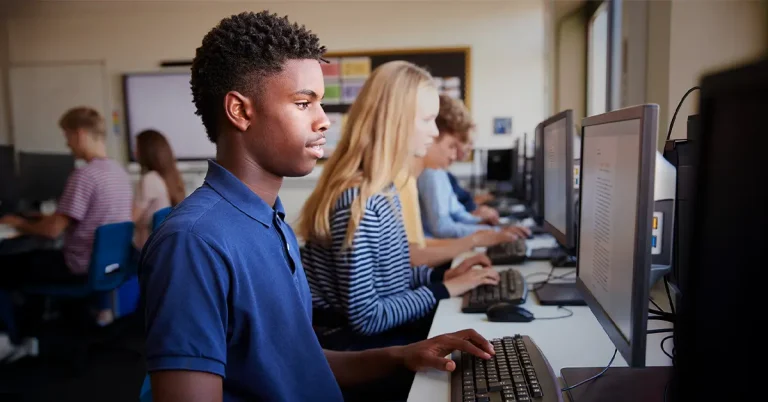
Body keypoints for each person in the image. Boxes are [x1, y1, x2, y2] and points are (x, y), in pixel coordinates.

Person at [139, 12, 495, 402]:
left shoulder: (270, 221)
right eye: (303, 103)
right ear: (240, 111)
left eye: (319, 103)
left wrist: (403, 355)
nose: (324, 120)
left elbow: (300, 361)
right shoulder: (194, 243)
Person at [298, 61, 500, 353]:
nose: (434, 132)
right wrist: (445, 289)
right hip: (356, 346)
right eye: (428, 119)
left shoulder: (385, 189)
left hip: (375, 335)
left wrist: (439, 276)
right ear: (397, 122)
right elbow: (366, 317)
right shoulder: (360, 202)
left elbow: (389, 280)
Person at [0, 107, 133, 286]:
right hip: (108, 265)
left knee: (7, 265)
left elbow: (51, 231)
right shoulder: (119, 172)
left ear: (79, 134)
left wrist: (19, 224)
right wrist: (48, 218)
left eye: (67, 136)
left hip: (78, 267)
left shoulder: (85, 175)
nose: (67, 144)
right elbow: (96, 218)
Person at [418, 95, 526, 239]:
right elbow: (442, 228)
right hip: (439, 249)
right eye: (452, 146)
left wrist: (482, 224)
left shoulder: (439, 171)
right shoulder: (429, 173)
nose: (455, 155)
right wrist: (492, 233)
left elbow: (457, 212)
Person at [395, 156, 517, 270]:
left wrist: (479, 226)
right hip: (429, 260)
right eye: (451, 146)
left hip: (425, 266)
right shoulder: (418, 177)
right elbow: (417, 253)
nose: (455, 155)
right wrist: (475, 239)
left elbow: (416, 249)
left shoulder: (436, 173)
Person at [132, 129, 185, 250]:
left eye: (137, 148)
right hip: (163, 247)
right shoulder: (170, 178)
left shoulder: (149, 179)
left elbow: (131, 219)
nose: (135, 152)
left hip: (144, 250)